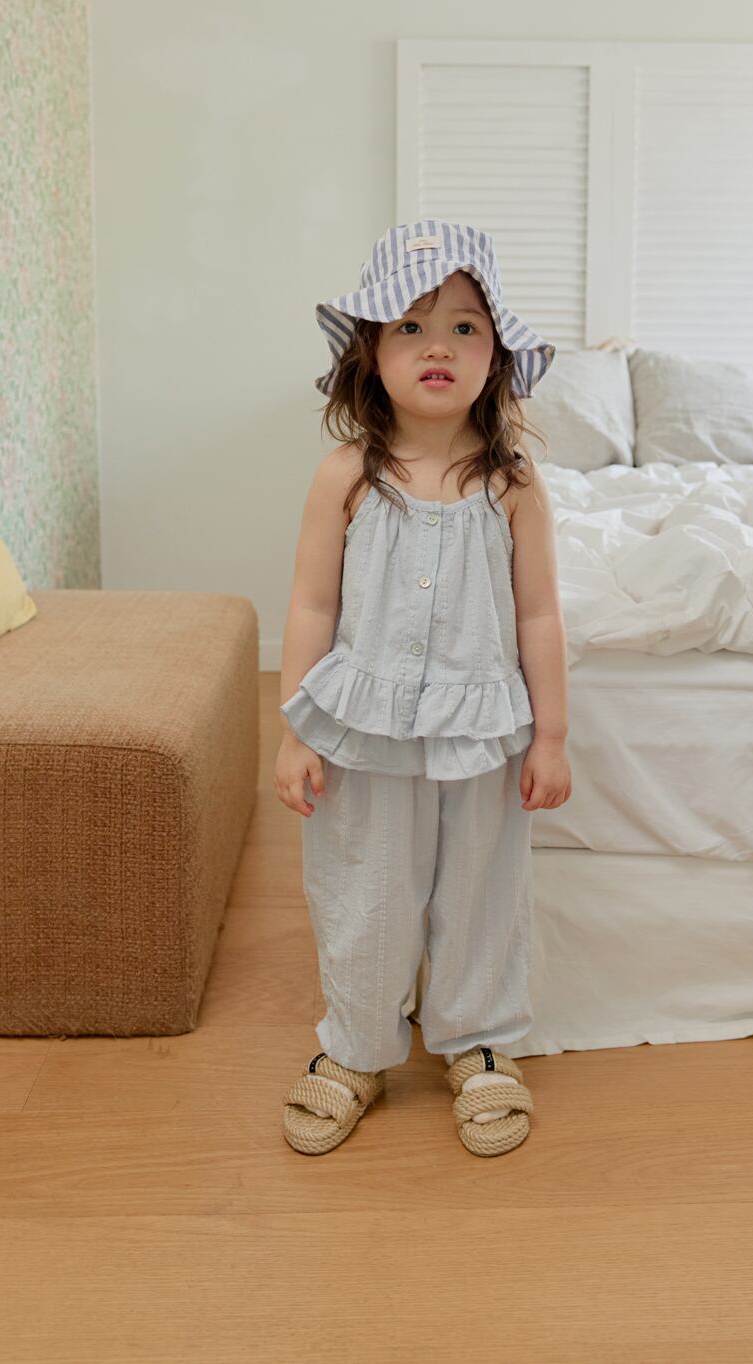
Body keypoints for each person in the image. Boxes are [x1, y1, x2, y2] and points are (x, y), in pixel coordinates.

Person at [274, 220, 571, 1158]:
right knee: (363, 885)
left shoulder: (513, 483)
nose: (437, 345)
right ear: (371, 351)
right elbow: (312, 605)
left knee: (482, 887)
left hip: (483, 729)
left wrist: (552, 737)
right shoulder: (345, 477)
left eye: (463, 327)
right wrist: (294, 731)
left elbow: (539, 617)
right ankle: (357, 1044)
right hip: (364, 730)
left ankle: (478, 1041)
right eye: (409, 326)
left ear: (497, 356)